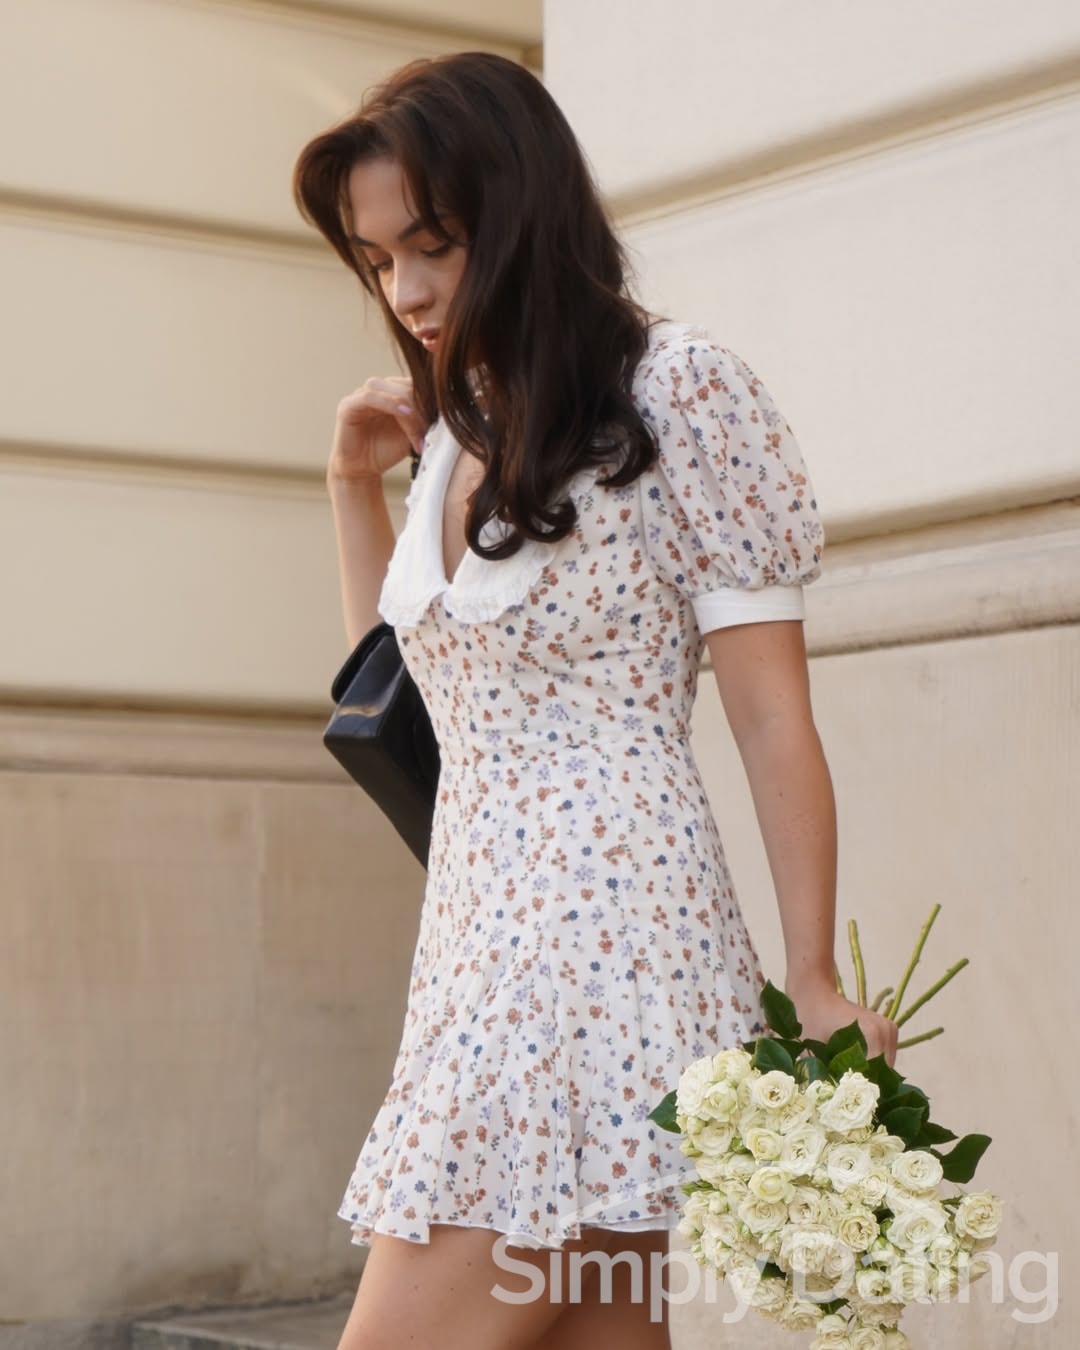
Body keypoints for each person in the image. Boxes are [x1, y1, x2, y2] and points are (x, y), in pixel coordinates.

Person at [293, 50, 897, 1350]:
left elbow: (771, 717)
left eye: (434, 245)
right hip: (478, 944)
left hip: (599, 951)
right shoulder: (457, 423)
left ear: (520, 211)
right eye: (379, 258)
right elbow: (415, 698)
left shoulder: (677, 390)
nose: (405, 291)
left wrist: (809, 971)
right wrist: (350, 488)